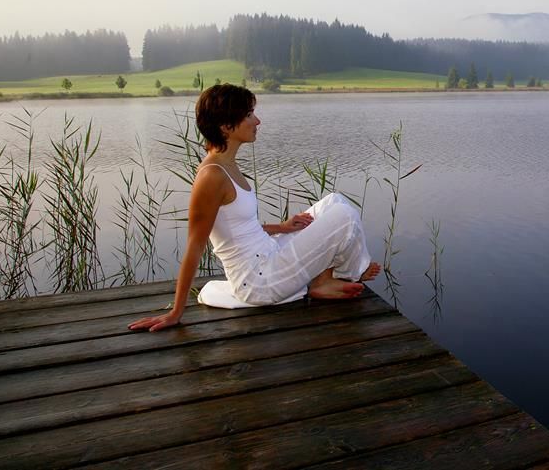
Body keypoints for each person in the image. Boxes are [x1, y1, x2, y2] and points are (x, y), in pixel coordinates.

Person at [129, 83, 380, 332]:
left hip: (268, 253)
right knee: (344, 216)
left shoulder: (226, 164)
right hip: (259, 281)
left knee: (333, 202)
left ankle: (325, 280)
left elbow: (236, 227)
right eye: (249, 115)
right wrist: (176, 312)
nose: (257, 121)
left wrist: (281, 227)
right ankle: (352, 273)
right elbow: (195, 246)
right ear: (226, 126)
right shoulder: (211, 176)